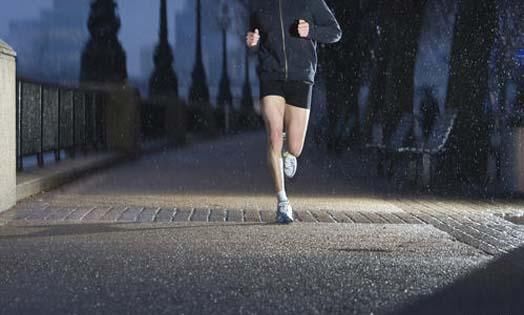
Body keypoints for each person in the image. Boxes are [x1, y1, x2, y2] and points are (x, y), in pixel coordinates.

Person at [246, 0, 342, 224]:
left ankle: (290, 153)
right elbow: (254, 35)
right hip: (271, 75)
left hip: (301, 77)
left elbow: (335, 32)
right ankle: (282, 202)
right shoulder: (259, 5)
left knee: (296, 147)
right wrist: (252, 41)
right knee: (274, 136)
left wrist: (312, 31)